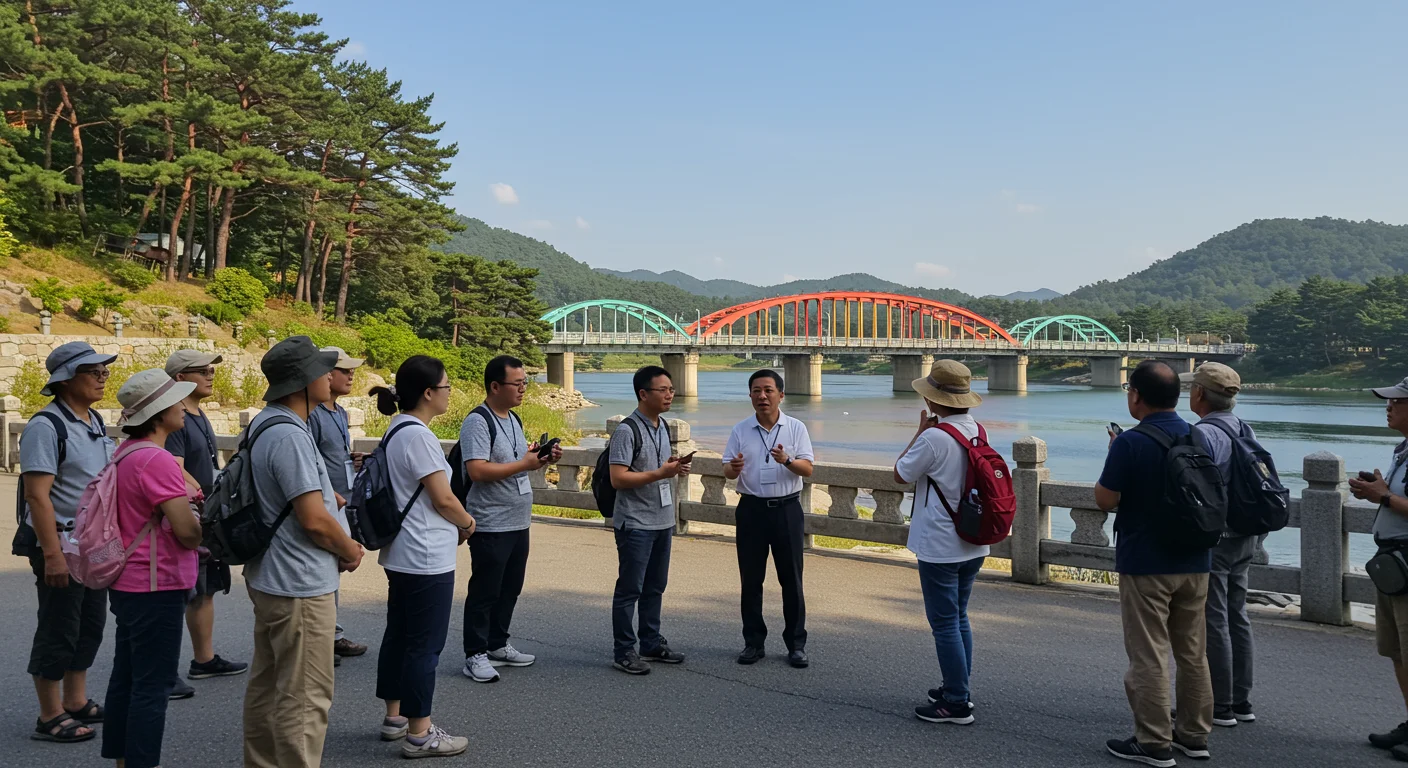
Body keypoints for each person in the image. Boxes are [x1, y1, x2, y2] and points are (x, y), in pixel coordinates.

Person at [242, 336, 365, 768]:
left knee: (269, 687)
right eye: (321, 369)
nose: (329, 375)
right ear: (304, 381)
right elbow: (312, 520)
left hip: (270, 575)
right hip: (298, 583)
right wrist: (349, 548)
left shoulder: (265, 423)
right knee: (305, 698)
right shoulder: (291, 435)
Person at [1096, 360, 1214, 767]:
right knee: (1193, 652)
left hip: (1146, 560)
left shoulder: (1131, 442)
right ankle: (1195, 736)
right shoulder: (1198, 435)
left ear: (1136, 396)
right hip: (1197, 559)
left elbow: (1105, 499)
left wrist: (1115, 454)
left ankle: (1153, 741)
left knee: (1148, 653)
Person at [369, 356, 478, 758]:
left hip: (401, 552)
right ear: (429, 393)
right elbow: (443, 498)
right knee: (423, 646)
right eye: (446, 386)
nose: (449, 393)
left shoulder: (396, 429)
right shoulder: (419, 436)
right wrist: (468, 523)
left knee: (399, 635)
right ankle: (420, 733)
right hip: (426, 555)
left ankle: (395, 717)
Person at [101, 369, 205, 768]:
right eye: (176, 400)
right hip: (156, 582)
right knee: (153, 685)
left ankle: (122, 759)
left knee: (125, 677)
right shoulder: (157, 460)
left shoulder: (124, 453)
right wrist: (199, 526)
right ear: (160, 413)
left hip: (127, 579)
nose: (183, 406)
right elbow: (186, 532)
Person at [19, 341, 117, 743]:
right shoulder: (47, 425)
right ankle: (49, 713)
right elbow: (37, 496)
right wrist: (52, 555)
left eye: (104, 371)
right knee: (59, 626)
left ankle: (75, 700)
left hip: (89, 544)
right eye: (93, 371)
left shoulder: (93, 420)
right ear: (65, 379)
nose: (102, 377)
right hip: (58, 543)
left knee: (90, 623)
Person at [892, 360, 990, 725]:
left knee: (945, 622)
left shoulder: (934, 437)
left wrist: (919, 433)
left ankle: (956, 702)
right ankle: (958, 686)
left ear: (933, 401)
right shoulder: (978, 430)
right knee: (959, 616)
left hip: (940, 543)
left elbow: (901, 473)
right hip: (974, 539)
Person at [459, 355, 561, 683]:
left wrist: (540, 458)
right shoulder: (478, 421)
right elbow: (476, 469)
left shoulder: (513, 418)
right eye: (517, 384)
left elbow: (516, 462)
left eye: (525, 383)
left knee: (510, 588)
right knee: (485, 590)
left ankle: (497, 644)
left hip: (519, 520)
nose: (522, 389)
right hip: (490, 522)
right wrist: (524, 465)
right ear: (494, 386)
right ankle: (474, 654)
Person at [163, 349, 246, 699]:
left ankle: (204, 659)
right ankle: (162, 673)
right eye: (202, 370)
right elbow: (173, 466)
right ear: (180, 379)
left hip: (207, 515)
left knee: (207, 588)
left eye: (212, 369)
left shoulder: (199, 414)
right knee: (181, 594)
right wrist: (200, 493)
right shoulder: (176, 417)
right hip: (189, 515)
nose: (211, 375)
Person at [1182, 362, 1258, 728]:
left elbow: (1196, 488)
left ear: (1199, 394)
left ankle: (1221, 703)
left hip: (1219, 537)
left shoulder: (1203, 434)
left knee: (1213, 619)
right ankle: (1241, 700)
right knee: (1237, 614)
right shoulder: (1244, 427)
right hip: (1247, 534)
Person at [723, 369, 815, 668]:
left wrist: (787, 460)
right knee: (751, 580)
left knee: (791, 580)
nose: (762, 396)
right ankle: (753, 643)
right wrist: (733, 468)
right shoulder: (740, 429)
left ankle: (796, 645)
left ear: (781, 394)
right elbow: (726, 468)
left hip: (787, 510)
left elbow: (808, 469)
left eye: (768, 390)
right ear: (750, 395)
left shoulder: (796, 428)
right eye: (756, 391)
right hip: (751, 510)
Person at [608, 365, 691, 675]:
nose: (670, 394)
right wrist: (660, 473)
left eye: (671, 389)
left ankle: (651, 643)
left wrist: (672, 466)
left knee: (655, 586)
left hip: (661, 520)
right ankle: (623, 650)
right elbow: (618, 478)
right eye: (663, 390)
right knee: (630, 588)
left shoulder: (662, 426)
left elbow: (654, 467)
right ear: (643, 394)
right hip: (635, 523)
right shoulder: (627, 430)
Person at [1353, 376, 1408, 758]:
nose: (1388, 406)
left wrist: (1385, 496)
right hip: (1394, 565)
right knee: (1398, 651)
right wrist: (1379, 490)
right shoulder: (1403, 449)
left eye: (1396, 402)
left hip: (1406, 563)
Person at [308, 346, 370, 662]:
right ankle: (323, 639)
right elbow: (309, 462)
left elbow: (333, 455)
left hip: (343, 501)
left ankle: (331, 634)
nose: (351, 375)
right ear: (325, 374)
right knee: (325, 569)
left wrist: (355, 461)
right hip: (324, 503)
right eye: (344, 370)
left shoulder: (340, 413)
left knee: (334, 570)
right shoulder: (312, 414)